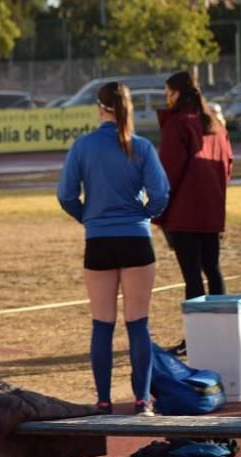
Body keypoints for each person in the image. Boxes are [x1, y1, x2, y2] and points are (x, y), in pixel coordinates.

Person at [57, 82, 170, 416]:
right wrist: (143, 215)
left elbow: (66, 194)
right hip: (136, 239)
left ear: (100, 107)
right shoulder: (141, 146)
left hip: (99, 240)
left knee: (102, 324)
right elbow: (161, 194)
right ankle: (142, 400)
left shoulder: (83, 146)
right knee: (138, 323)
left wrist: (89, 218)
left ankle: (104, 401)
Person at [155, 71, 234, 356]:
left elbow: (168, 174)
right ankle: (225, 333)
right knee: (212, 269)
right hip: (211, 211)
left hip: (184, 214)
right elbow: (228, 164)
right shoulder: (212, 122)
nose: (167, 98)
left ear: (179, 93)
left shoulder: (178, 124)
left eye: (169, 93)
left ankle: (198, 338)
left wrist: (159, 212)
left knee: (192, 276)